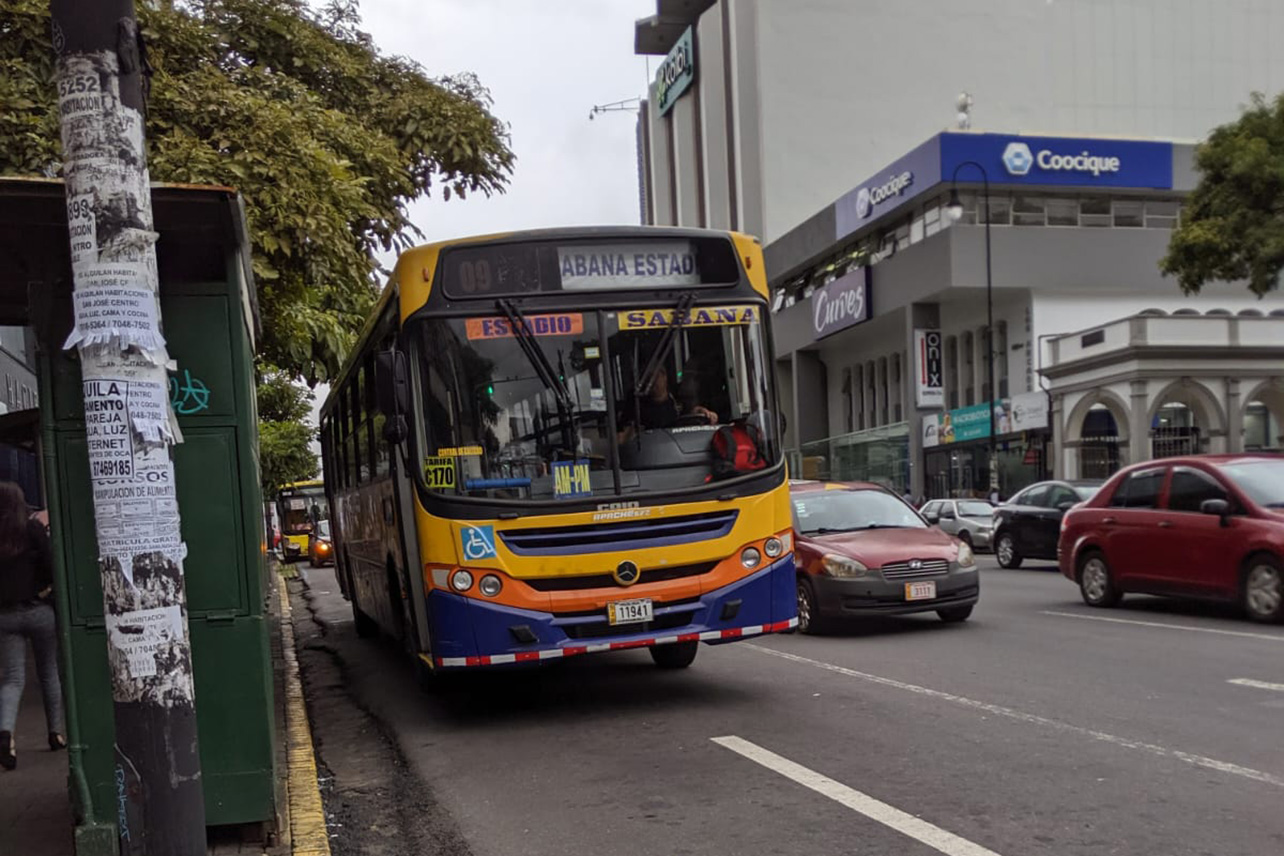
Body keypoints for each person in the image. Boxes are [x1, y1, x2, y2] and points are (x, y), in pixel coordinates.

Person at [0, 484, 64, 771]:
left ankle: (7, 735)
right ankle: (56, 733)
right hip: (39, 612)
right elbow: (52, 566)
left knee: (13, 678)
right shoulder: (33, 529)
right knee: (49, 672)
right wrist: (45, 592)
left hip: (5, 616)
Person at [618, 368, 716, 441]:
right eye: (646, 377)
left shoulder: (678, 396)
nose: (650, 381)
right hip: (649, 453)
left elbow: (690, 414)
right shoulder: (636, 405)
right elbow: (621, 437)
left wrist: (702, 412)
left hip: (680, 448)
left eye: (654, 376)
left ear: (664, 376)